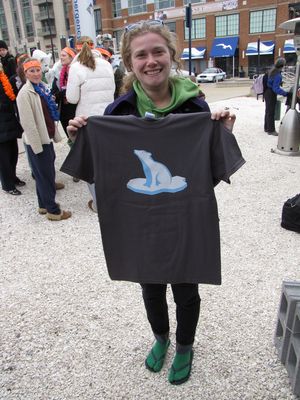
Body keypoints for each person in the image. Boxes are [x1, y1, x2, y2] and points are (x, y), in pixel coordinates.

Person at [65, 21, 242, 385]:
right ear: (130, 63)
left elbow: (205, 175)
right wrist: (79, 138)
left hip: (184, 217)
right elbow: (100, 168)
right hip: (139, 219)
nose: (151, 61)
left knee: (186, 287)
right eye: (141, 55)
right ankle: (160, 336)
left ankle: (185, 345)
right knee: (150, 285)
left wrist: (220, 134)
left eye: (158, 51)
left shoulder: (196, 107)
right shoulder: (118, 112)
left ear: (171, 56)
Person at [16, 58, 71, 221]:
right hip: (38, 141)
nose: (36, 73)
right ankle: (53, 211)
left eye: (38, 70)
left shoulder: (41, 88)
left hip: (45, 137)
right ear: (25, 73)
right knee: (46, 176)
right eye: (31, 71)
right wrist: (37, 146)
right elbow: (28, 123)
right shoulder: (24, 94)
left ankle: (43, 205)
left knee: (43, 174)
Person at [66, 36, 115, 212]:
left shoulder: (76, 67)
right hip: (108, 119)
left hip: (86, 121)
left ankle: (97, 202)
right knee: (108, 162)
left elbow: (71, 98)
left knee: (90, 163)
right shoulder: (107, 64)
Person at [0, 62, 24, 195]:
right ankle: (7, 185)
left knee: (13, 153)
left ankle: (13, 177)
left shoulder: (3, 79)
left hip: (9, 121)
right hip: (2, 125)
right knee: (3, 157)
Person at [51, 47, 77, 146]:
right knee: (70, 138)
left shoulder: (76, 71)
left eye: (63, 55)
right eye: (60, 55)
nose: (61, 58)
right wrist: (55, 96)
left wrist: (61, 93)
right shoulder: (59, 73)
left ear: (71, 57)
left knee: (78, 138)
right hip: (64, 111)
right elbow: (55, 90)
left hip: (74, 109)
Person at [264, 58, 288, 136]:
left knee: (268, 111)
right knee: (271, 112)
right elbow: (276, 88)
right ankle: (271, 130)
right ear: (282, 65)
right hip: (271, 93)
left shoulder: (272, 70)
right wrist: (286, 93)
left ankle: (266, 127)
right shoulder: (278, 75)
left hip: (267, 92)